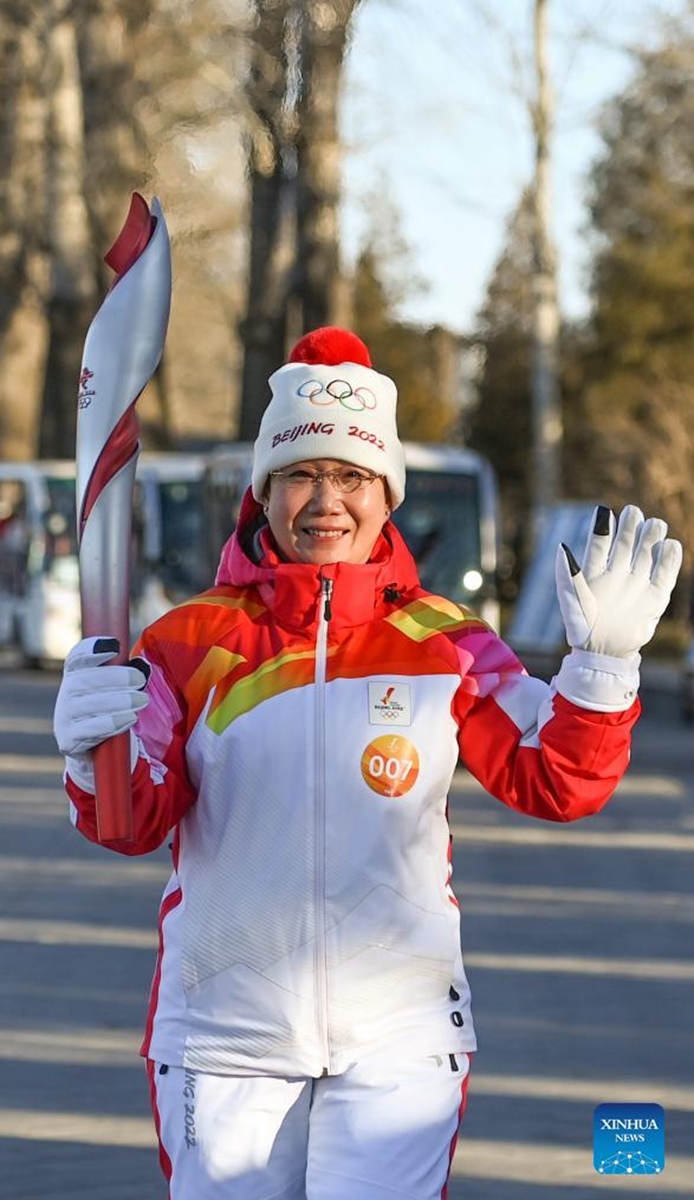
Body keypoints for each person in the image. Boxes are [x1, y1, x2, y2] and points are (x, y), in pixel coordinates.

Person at [54, 326, 681, 1200]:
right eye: (302, 474)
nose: (326, 501)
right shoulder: (186, 642)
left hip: (401, 1032)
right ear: (264, 490)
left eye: (351, 477)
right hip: (224, 1033)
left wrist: (602, 672)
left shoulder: (448, 643)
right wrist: (94, 752)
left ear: (386, 494)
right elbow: (131, 824)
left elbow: (554, 782)